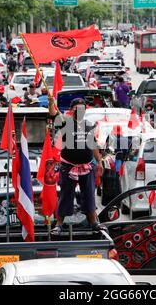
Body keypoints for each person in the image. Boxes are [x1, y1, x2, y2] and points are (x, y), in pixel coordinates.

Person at [48, 96, 105, 234]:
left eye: (82, 108)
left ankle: (93, 222)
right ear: (71, 110)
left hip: (87, 167)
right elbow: (53, 113)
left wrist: (99, 162)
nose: (79, 110)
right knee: (65, 194)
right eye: (76, 108)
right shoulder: (65, 122)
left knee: (89, 195)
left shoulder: (89, 125)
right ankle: (59, 224)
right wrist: (51, 103)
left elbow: (93, 145)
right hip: (68, 167)